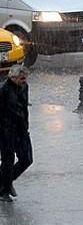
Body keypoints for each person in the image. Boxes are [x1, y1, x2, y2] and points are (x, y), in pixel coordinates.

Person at [0, 65, 33, 203]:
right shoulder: (3, 90)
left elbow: (24, 107)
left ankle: (5, 182)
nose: (24, 81)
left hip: (21, 129)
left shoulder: (25, 87)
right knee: (7, 161)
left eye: (25, 78)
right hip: (6, 130)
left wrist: (25, 125)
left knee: (27, 159)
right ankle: (4, 190)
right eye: (22, 78)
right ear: (13, 77)